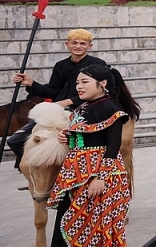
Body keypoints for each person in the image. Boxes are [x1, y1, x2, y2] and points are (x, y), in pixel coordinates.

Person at [35, 64, 139, 247]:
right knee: (71, 224)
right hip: (76, 173)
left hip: (101, 175)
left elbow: (112, 147)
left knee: (92, 226)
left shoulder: (111, 108)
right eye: (78, 83)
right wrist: (66, 136)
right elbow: (80, 136)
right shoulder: (81, 108)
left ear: (102, 83)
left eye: (84, 82)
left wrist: (100, 177)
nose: (78, 87)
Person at [10, 29, 107, 172]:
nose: (78, 46)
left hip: (86, 109)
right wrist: (31, 83)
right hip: (58, 109)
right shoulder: (61, 65)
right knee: (15, 140)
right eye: (74, 43)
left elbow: (100, 91)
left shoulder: (98, 64)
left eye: (82, 43)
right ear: (67, 44)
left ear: (89, 46)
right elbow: (54, 90)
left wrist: (71, 101)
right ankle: (38, 174)